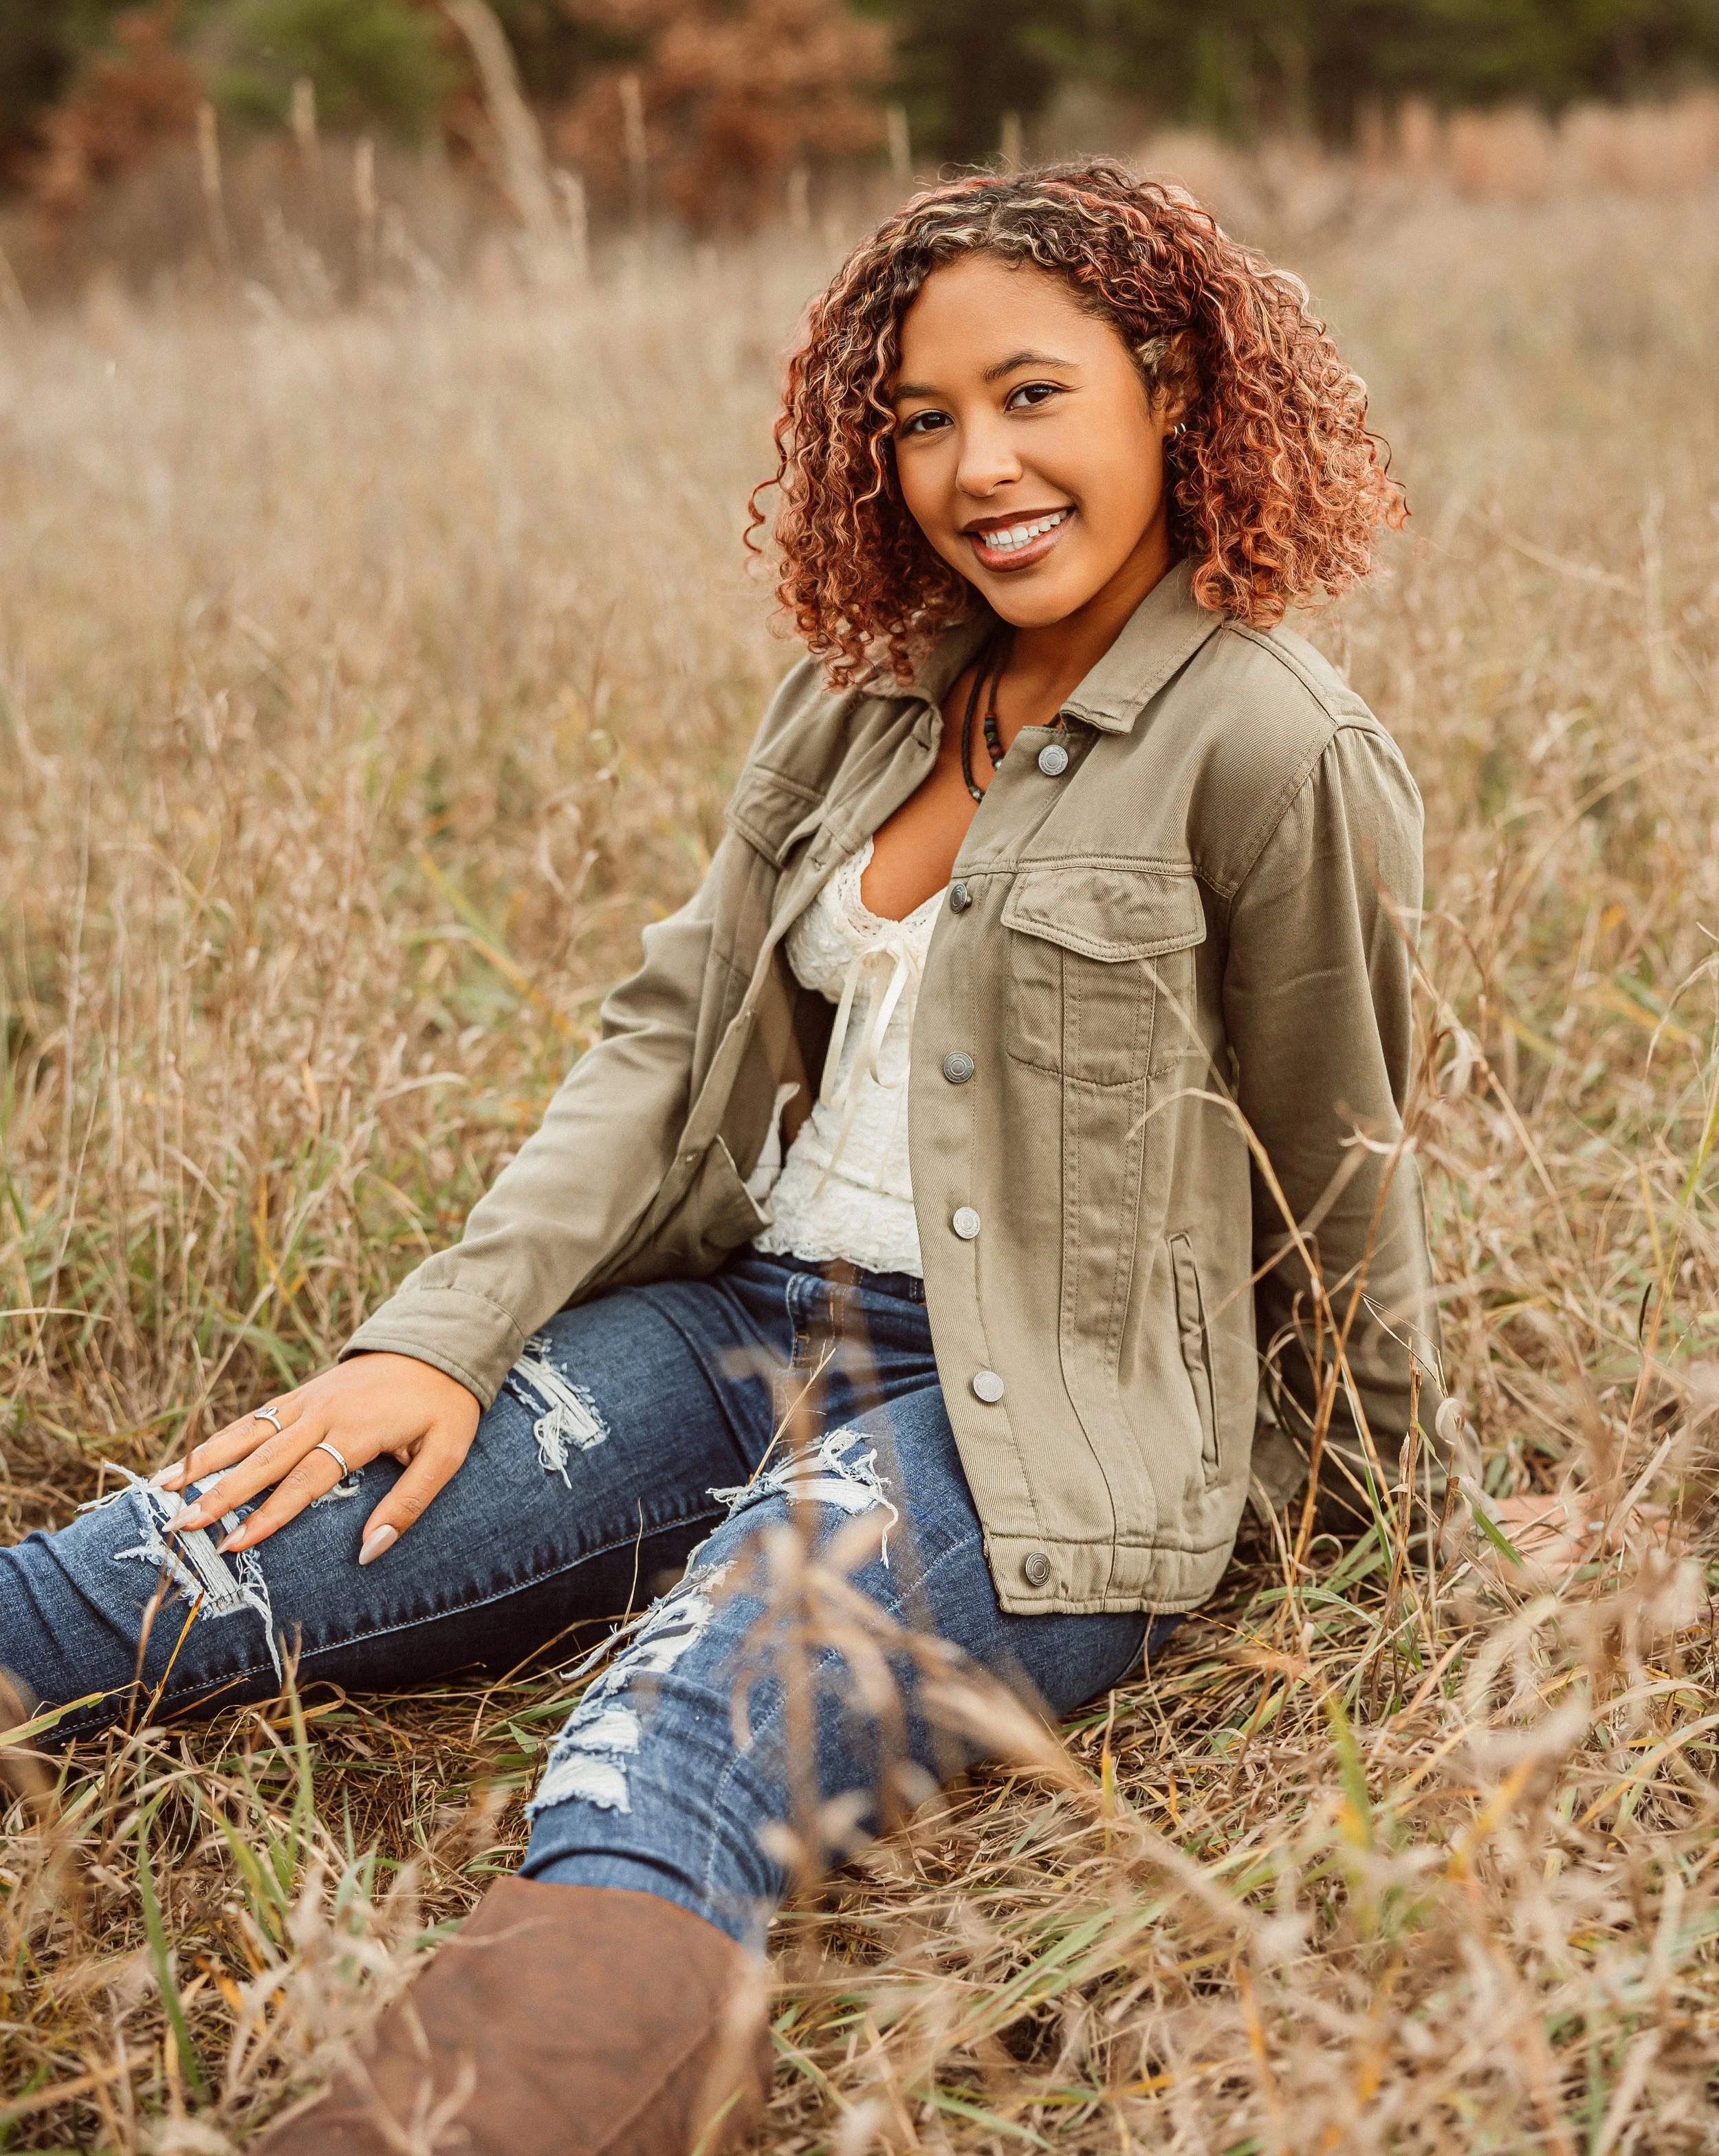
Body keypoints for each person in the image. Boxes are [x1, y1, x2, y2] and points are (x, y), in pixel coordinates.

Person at [3, 162, 1470, 2153]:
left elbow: (1343, 1168)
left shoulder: (1271, 743)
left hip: (1036, 1425)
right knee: (171, 1566)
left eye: (1034, 395)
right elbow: (655, 1047)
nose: (978, 466)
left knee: (667, 1737)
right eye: (922, 419)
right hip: (740, 1326)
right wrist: (430, 1344)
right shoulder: (864, 697)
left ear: (1169, 388)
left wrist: (1396, 1546)